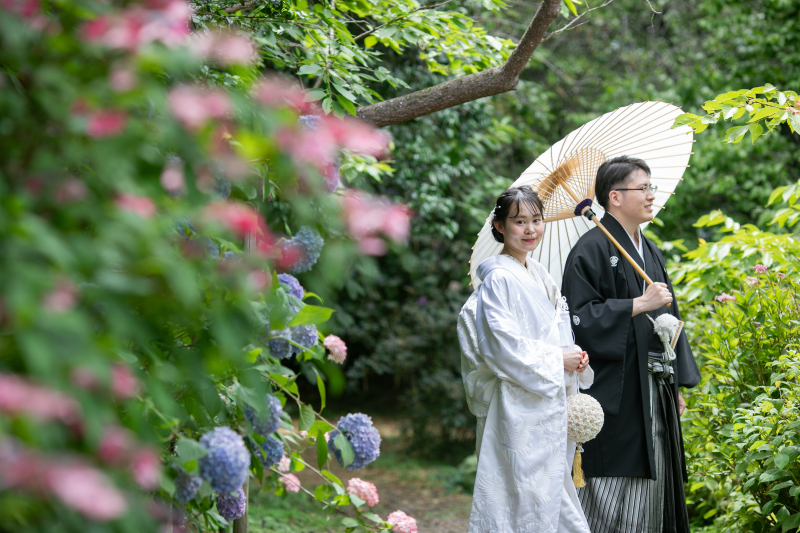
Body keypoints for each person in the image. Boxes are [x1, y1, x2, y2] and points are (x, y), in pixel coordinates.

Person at [561, 156, 701, 533]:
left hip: (654, 387)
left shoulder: (648, 250)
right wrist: (638, 304)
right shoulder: (589, 250)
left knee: (653, 487)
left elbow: (669, 319)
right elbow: (577, 319)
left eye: (651, 187)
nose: (651, 195)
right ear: (615, 197)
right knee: (611, 492)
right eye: (643, 188)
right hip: (615, 392)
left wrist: (674, 384)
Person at [458, 185, 593, 533]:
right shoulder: (499, 279)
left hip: (549, 401)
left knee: (551, 496)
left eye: (537, 220)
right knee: (518, 499)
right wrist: (556, 359)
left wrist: (574, 359)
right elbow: (501, 346)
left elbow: (557, 334)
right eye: (519, 221)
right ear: (500, 226)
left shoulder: (542, 275)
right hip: (517, 407)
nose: (530, 229)